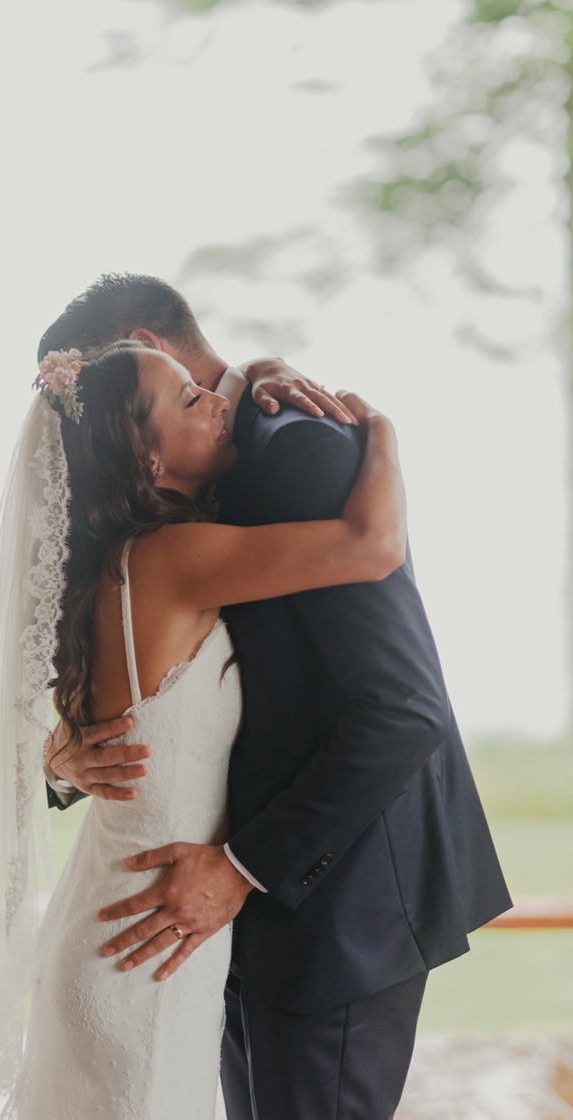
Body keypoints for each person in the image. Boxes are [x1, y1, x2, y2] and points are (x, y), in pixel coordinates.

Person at [38, 275, 510, 1119]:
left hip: (330, 904)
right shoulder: (163, 533)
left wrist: (243, 869)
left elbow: (404, 709)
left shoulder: (298, 446)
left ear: (144, 339)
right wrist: (62, 757)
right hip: (189, 913)